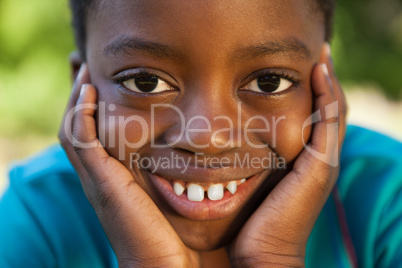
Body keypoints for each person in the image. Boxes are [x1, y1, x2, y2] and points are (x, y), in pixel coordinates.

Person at [1, 0, 401, 267]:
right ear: (81, 91)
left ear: (323, 82)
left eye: (268, 82)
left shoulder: (385, 200)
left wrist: (273, 258)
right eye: (144, 82)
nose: (208, 136)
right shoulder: (40, 217)